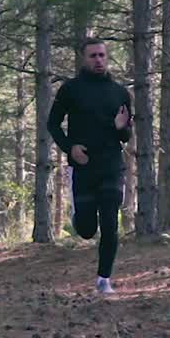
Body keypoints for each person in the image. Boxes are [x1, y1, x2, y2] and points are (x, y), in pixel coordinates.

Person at [47, 37, 133, 294]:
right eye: (93, 56)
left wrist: (121, 128)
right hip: (83, 166)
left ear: (107, 58)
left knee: (110, 220)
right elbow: (53, 124)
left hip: (111, 165)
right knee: (86, 230)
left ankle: (104, 279)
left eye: (102, 55)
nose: (98, 60)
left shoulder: (120, 93)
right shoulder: (70, 90)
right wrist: (70, 148)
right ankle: (80, 218)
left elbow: (126, 135)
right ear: (84, 59)